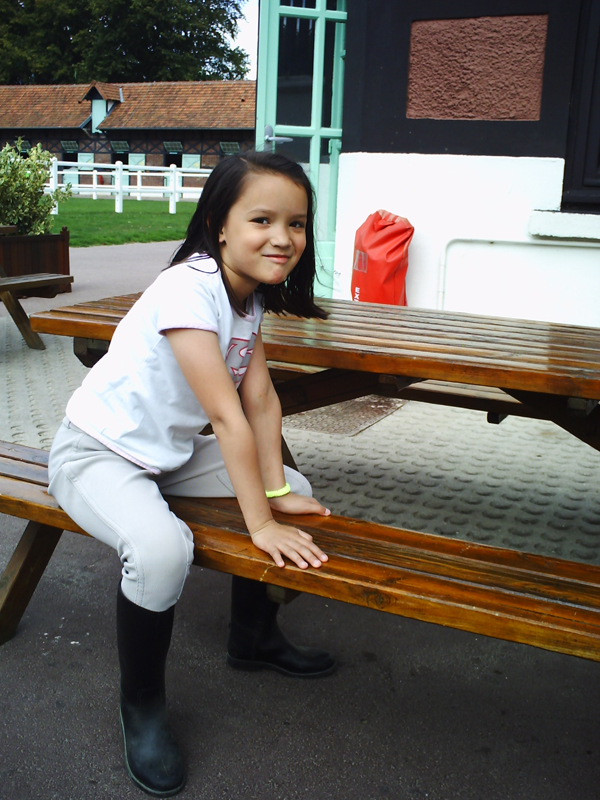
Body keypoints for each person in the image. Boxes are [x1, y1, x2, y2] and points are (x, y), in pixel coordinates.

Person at [47, 150, 336, 797]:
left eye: (296, 223)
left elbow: (261, 401)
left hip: (166, 459)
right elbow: (227, 418)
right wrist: (259, 523)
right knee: (161, 551)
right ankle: (143, 708)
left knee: (298, 489)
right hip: (96, 454)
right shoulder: (189, 286)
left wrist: (277, 493)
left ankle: (253, 638)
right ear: (218, 225)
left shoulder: (246, 299)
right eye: (262, 219)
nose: (283, 237)